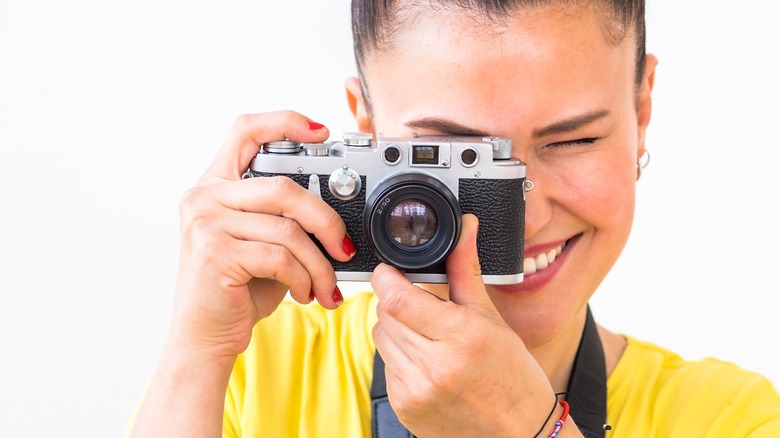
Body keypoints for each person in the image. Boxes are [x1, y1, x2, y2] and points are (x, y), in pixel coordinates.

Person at [127, 0, 780, 436]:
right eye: (447, 157)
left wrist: (532, 426)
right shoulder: (251, 373)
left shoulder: (728, 418)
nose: (521, 221)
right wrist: (196, 354)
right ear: (368, 130)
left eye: (572, 141)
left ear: (640, 116)